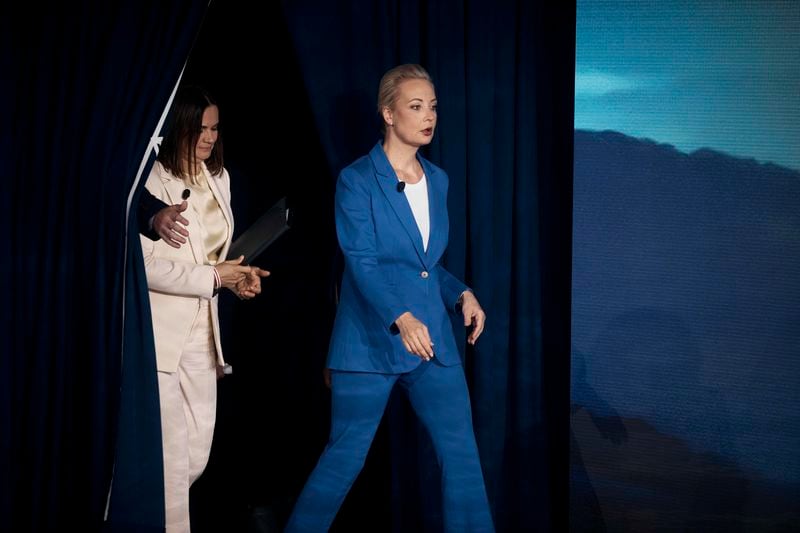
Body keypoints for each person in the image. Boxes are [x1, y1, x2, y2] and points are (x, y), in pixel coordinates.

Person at [285, 64, 494, 532]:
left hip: (431, 344)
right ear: (388, 113)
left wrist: (461, 294)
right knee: (343, 462)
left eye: (433, 107)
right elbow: (361, 261)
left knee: (462, 459)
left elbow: (424, 265)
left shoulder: (437, 180)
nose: (429, 117)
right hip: (369, 343)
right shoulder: (357, 180)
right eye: (416, 106)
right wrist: (400, 316)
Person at [140, 85, 268, 532]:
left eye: (214, 128)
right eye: (200, 128)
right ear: (179, 129)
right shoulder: (151, 181)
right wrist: (215, 279)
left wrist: (237, 278)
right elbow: (146, 267)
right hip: (160, 335)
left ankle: (135, 510)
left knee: (195, 454)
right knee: (173, 462)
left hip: (204, 330)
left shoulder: (220, 178)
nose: (209, 137)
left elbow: (214, 259)